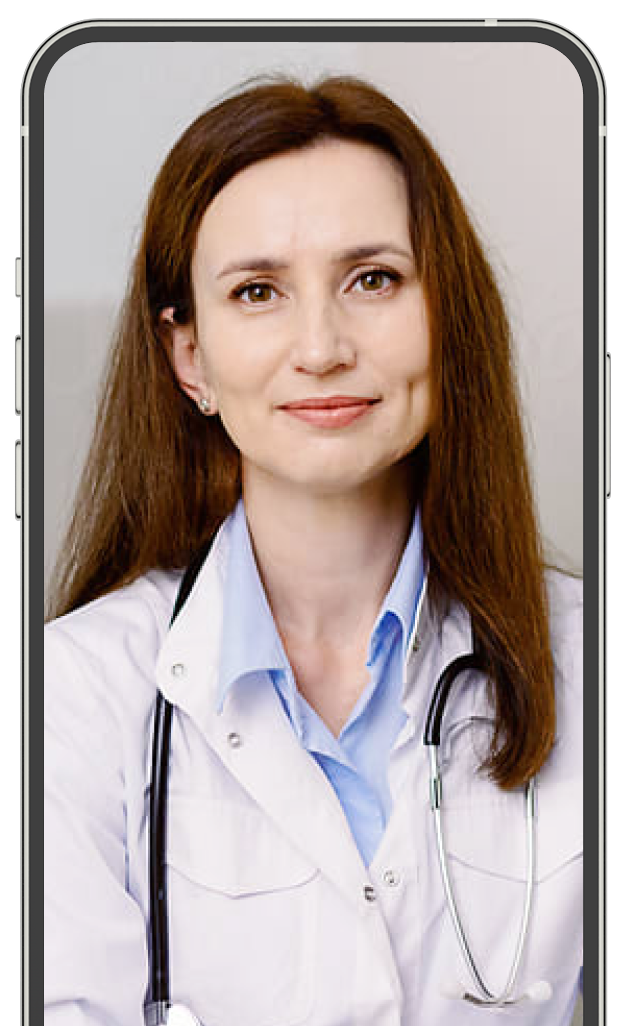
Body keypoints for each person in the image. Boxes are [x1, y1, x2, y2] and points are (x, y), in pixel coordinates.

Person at [44, 75, 582, 1025]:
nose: (323, 346)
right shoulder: (73, 697)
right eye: (258, 292)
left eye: (373, 279)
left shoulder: (584, 661)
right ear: (190, 359)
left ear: (447, 315)